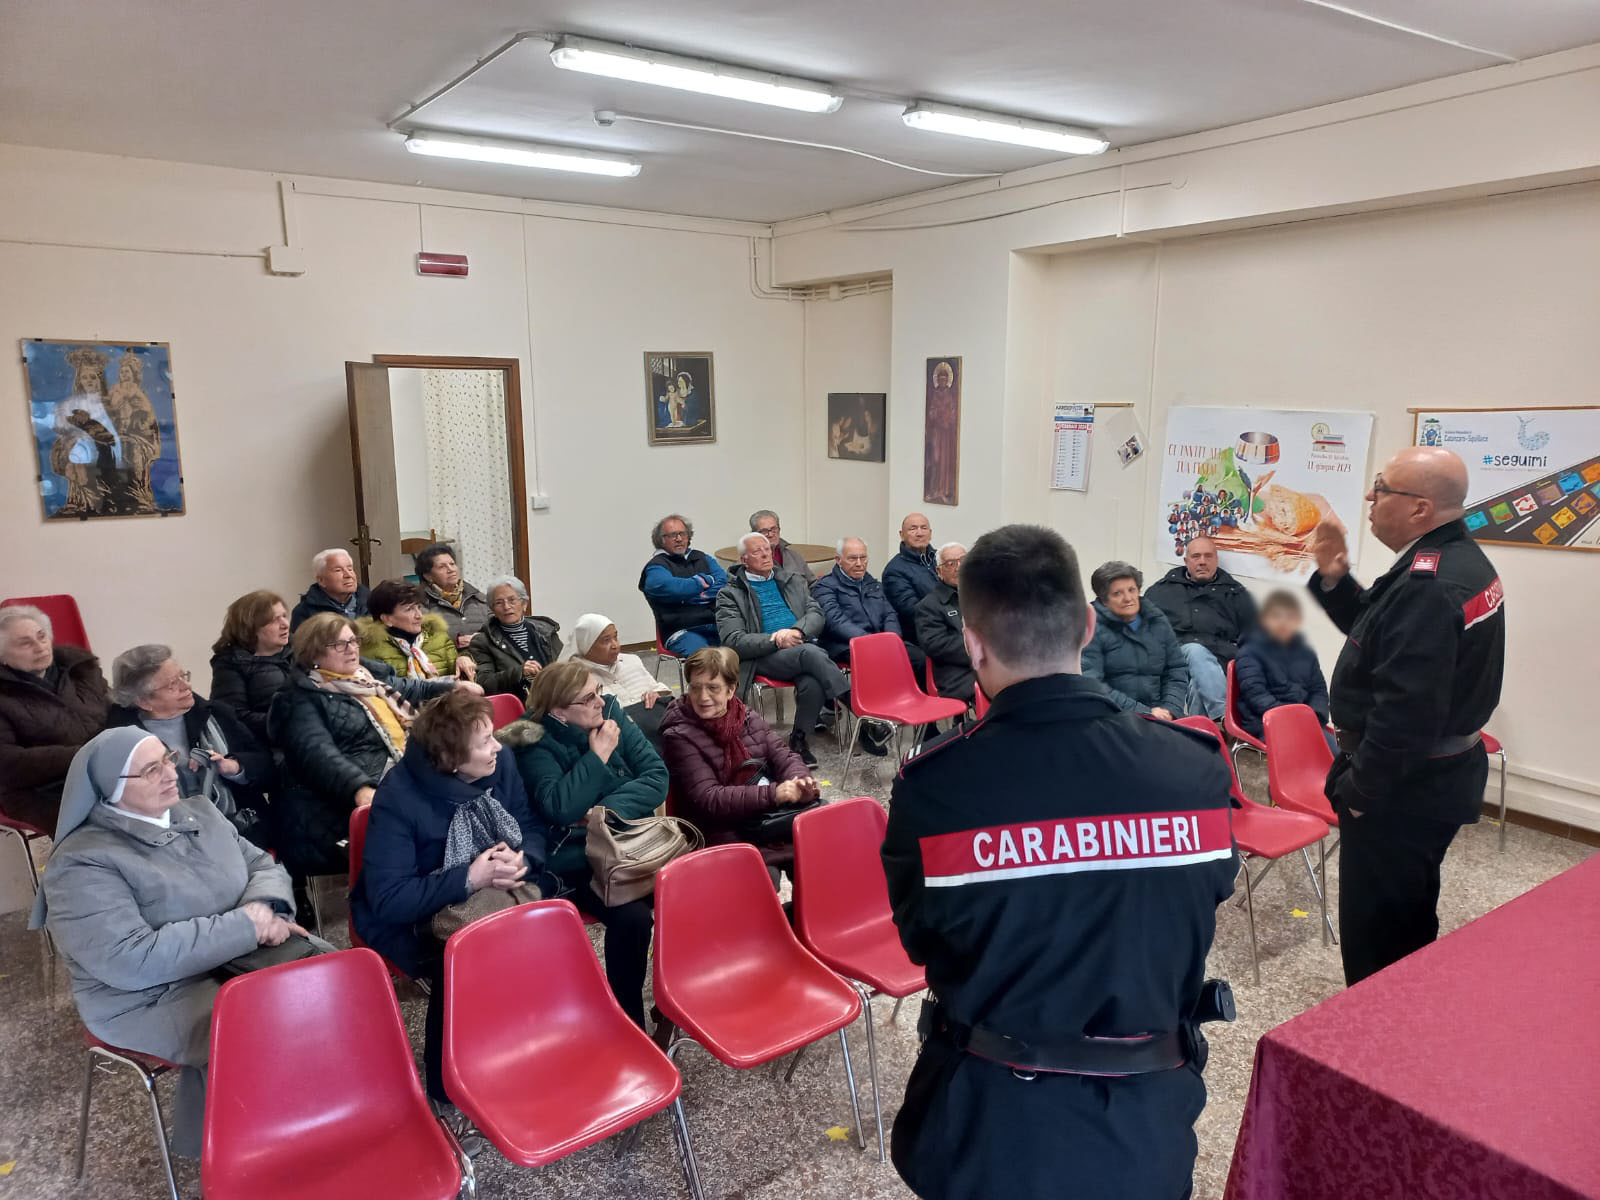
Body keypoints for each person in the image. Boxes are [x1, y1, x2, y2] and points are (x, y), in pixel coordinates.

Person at [881, 524, 1237, 1200]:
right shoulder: (1192, 770)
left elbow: (923, 940)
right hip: (1148, 1120)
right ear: (1087, 626)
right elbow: (1203, 901)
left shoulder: (937, 790)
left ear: (973, 642)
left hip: (995, 1128)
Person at [32, 728, 299, 1158]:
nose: (170, 772)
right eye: (150, 769)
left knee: (336, 983)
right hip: (148, 996)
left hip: (242, 956)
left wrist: (266, 908)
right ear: (110, 790)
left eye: (167, 758)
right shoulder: (81, 862)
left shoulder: (198, 811)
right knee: (263, 1025)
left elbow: (261, 865)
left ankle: (344, 1119)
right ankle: (249, 1157)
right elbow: (131, 960)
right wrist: (247, 925)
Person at [1309, 446, 1505, 985]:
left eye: (1382, 488)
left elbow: (1406, 712)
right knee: (1406, 916)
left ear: (1420, 508)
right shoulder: (1446, 561)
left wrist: (1361, 794)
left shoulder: (1433, 584)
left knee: (1378, 936)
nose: (1370, 498)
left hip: (1400, 791)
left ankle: (1374, 1049)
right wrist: (1333, 573)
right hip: (1429, 782)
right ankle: (1404, 1022)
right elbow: (1378, 632)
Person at [352, 689, 545, 1122]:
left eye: (493, 736)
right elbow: (389, 899)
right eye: (484, 743)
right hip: (416, 914)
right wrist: (468, 878)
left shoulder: (501, 764)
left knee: (541, 934)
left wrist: (524, 859)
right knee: (464, 956)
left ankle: (521, 1045)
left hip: (493, 890)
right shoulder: (399, 796)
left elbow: (528, 824)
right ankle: (446, 1083)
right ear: (453, 758)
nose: (498, 746)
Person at [500, 662, 662, 1027]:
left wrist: (600, 812)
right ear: (558, 710)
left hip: (631, 844)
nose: (599, 703)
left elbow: (656, 777)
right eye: (588, 698)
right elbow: (560, 808)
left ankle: (674, 997)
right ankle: (628, 1018)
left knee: (688, 889)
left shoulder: (612, 711)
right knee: (633, 918)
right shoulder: (533, 741)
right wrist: (599, 755)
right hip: (578, 862)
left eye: (598, 691)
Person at [268, 612, 462, 877]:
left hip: (393, 778)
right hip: (334, 804)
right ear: (313, 653)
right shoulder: (298, 698)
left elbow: (412, 688)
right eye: (339, 644)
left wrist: (454, 687)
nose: (351, 649)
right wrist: (358, 787)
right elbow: (317, 753)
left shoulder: (367, 678)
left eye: (353, 641)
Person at [659, 647, 819, 869]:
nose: (702, 697)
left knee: (818, 842)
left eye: (713, 688)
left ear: (731, 690)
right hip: (716, 827)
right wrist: (775, 793)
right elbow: (709, 798)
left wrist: (800, 780)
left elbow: (784, 755)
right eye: (695, 688)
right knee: (762, 874)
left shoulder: (746, 716)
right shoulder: (678, 734)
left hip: (759, 815)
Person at [106, 644, 272, 838]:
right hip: (170, 843)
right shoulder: (120, 743)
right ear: (144, 701)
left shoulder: (216, 714)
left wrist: (233, 767)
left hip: (241, 832)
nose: (187, 686)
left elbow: (267, 766)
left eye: (183, 676)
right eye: (172, 684)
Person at [715, 532, 850, 765]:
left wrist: (797, 632)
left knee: (812, 680)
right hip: (763, 656)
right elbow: (733, 640)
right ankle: (858, 707)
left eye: (767, 549)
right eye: (757, 551)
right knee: (812, 653)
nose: (766, 554)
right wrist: (775, 640)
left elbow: (816, 613)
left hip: (799, 647)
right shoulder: (730, 594)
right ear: (743, 560)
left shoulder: (791, 580)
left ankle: (799, 739)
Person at [0, 604, 108, 832]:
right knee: (115, 823)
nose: (40, 647)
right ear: (3, 657)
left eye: (41, 636)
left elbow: (115, 711)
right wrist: (82, 755)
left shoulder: (81, 668)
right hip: (44, 791)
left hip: (106, 771)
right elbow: (7, 763)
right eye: (25, 643)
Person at [1144, 536, 1257, 720]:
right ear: (1186, 561)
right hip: (1172, 660)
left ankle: (1202, 737)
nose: (1202, 561)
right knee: (1194, 650)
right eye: (1196, 556)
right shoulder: (1160, 592)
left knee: (1198, 686)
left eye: (1208, 556)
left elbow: (1254, 639)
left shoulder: (1236, 594)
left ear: (1217, 560)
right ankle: (1223, 717)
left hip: (1218, 663)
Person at [1083, 561, 1189, 720]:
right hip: (1112, 718)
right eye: (1117, 593)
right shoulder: (1091, 627)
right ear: (1104, 600)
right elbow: (1092, 685)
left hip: (1161, 716)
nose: (1128, 598)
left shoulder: (1157, 621)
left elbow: (1176, 670)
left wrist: (1170, 709)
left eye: (1132, 590)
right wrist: (1145, 713)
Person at [1233, 591, 1335, 754]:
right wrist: (1295, 719)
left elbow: (1319, 690)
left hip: (1303, 722)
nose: (1283, 622)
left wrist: (1313, 716)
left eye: (1289, 617)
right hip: (1265, 722)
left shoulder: (1306, 653)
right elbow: (1257, 696)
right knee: (1324, 755)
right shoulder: (1250, 652)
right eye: (1276, 616)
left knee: (1339, 756)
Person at [814, 537, 927, 677]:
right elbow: (836, 621)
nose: (859, 564)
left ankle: (917, 697)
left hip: (880, 640)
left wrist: (892, 637)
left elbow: (889, 613)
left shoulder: (871, 583)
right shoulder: (825, 586)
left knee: (919, 657)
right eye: (852, 558)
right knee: (880, 661)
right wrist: (871, 641)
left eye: (863, 557)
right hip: (845, 644)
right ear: (839, 560)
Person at [568, 613, 672, 747]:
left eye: (615, 637)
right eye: (606, 640)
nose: (615, 645)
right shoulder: (577, 677)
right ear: (586, 646)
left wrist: (656, 693)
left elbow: (656, 688)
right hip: (625, 739)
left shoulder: (631, 660)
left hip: (658, 724)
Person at [209, 590, 294, 746]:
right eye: (275, 620)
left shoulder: (301, 651)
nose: (285, 624)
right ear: (251, 627)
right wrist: (288, 723)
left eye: (284, 616)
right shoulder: (231, 665)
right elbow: (234, 717)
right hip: (269, 749)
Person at [638, 513, 726, 657]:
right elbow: (675, 588)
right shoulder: (655, 567)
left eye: (682, 534)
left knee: (743, 649)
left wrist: (695, 594)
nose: (679, 539)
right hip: (681, 631)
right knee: (707, 660)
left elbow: (723, 582)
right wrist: (705, 581)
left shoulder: (701, 557)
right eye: (673, 535)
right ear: (661, 540)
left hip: (716, 625)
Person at [357, 579, 476, 683]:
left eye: (418, 607)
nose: (419, 615)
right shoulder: (370, 649)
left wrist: (464, 659)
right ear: (387, 619)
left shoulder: (437, 636)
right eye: (409, 609)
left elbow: (462, 678)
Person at [465, 576, 562, 699]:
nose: (506, 607)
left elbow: (565, 665)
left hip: (558, 699)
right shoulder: (483, 641)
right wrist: (519, 672)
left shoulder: (546, 631)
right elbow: (484, 683)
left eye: (512, 600)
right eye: (499, 602)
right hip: (520, 705)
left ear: (524, 604)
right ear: (492, 609)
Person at [914, 543, 976, 703]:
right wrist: (980, 650)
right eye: (951, 563)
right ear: (939, 572)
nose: (959, 567)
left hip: (987, 664)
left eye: (963, 560)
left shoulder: (981, 595)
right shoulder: (928, 606)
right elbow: (937, 645)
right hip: (955, 673)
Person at [414, 543, 492, 651]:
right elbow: (422, 639)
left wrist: (479, 639)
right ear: (428, 576)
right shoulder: (421, 604)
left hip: (484, 660)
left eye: (452, 564)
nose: (451, 569)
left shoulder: (479, 598)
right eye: (442, 567)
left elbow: (498, 630)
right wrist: (455, 640)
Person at [883, 513, 939, 643]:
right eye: (913, 529)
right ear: (902, 535)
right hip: (923, 636)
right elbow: (913, 612)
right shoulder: (894, 570)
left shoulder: (941, 559)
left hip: (952, 626)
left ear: (930, 533)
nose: (919, 533)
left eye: (924, 528)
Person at [289, 548, 369, 630]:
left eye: (350, 569)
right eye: (338, 570)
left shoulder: (372, 602)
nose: (348, 575)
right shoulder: (305, 612)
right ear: (321, 580)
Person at [749, 509, 817, 586]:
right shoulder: (748, 561)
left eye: (774, 529)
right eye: (764, 531)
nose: (771, 534)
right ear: (754, 534)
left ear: (779, 529)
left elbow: (813, 584)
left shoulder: (795, 557)